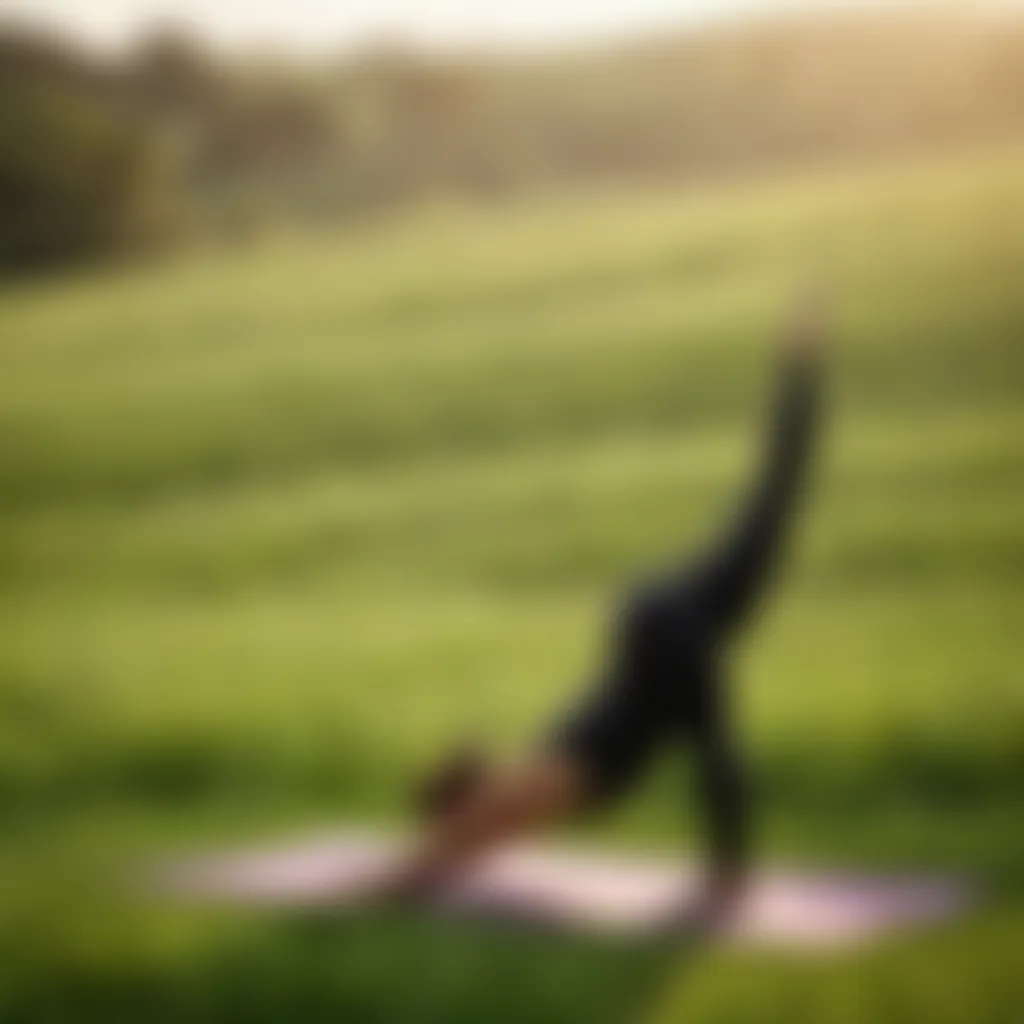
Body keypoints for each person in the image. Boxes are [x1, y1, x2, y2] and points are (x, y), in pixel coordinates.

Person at [361, 293, 826, 924]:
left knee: (716, 738)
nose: (471, 847)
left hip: (663, 627)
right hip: (660, 622)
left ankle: (729, 878)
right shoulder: (529, 786)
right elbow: (450, 849)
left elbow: (441, 855)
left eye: (457, 822)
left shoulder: (529, 791)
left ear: (462, 804)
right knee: (773, 507)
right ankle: (729, 877)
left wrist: (374, 886)